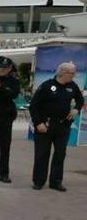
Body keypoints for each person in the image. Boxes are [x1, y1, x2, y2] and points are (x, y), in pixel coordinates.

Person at [29, 62, 84, 192]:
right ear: (63, 73)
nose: (74, 75)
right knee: (42, 155)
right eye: (72, 73)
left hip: (63, 126)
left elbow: (80, 100)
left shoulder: (72, 86)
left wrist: (76, 108)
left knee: (60, 154)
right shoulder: (47, 86)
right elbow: (34, 106)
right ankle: (38, 181)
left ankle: (56, 181)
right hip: (45, 125)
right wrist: (38, 123)